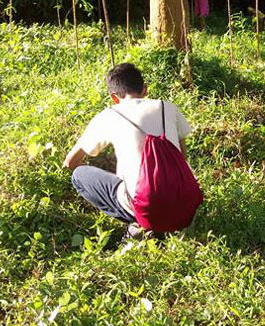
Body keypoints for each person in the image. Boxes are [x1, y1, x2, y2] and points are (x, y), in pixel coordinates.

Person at [63, 63, 196, 243]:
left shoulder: (110, 115)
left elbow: (70, 162)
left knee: (79, 175)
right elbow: (182, 157)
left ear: (114, 98)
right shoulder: (168, 108)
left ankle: (139, 224)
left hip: (145, 204)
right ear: (145, 89)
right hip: (185, 204)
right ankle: (154, 224)